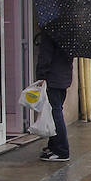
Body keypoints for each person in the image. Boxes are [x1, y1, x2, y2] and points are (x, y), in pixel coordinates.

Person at [36, 31, 74, 162]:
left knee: (55, 114)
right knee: (55, 112)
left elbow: (45, 56)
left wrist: (41, 75)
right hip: (64, 78)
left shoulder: (51, 32)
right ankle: (53, 146)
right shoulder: (70, 32)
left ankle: (62, 150)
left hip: (52, 78)